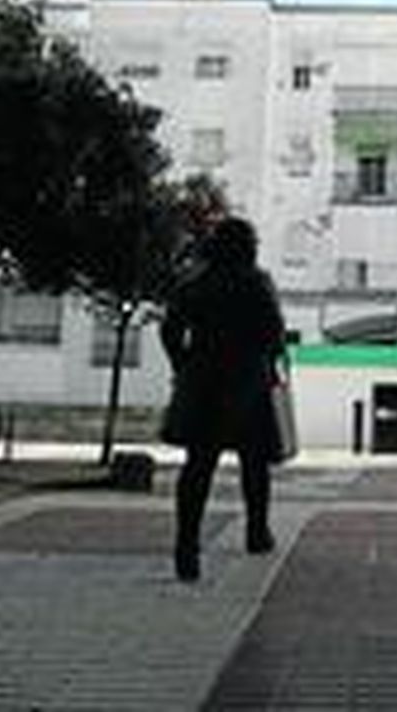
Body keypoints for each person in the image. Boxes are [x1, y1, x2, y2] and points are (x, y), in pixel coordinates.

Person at [159, 217, 287, 582]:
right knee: (254, 463)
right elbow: (275, 334)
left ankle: (186, 545)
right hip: (248, 381)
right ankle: (257, 532)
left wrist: (183, 364)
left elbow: (170, 329)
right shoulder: (256, 282)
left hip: (204, 382)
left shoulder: (196, 282)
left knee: (198, 466)